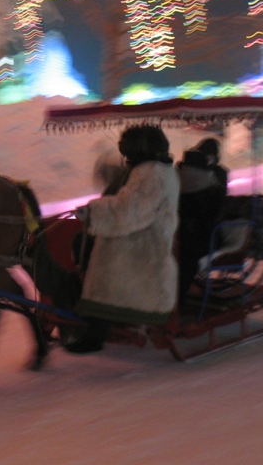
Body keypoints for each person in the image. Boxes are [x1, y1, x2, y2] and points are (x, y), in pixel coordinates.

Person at [65, 124, 180, 354]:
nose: (124, 153)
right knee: (89, 254)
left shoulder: (150, 173)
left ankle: (95, 335)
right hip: (136, 238)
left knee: (107, 277)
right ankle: (90, 327)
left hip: (141, 246)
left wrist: (94, 212)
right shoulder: (150, 169)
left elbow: (129, 211)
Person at [176, 138, 228, 301]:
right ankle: (178, 298)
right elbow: (219, 204)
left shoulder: (179, 169)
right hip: (202, 232)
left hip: (176, 228)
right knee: (189, 259)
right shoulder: (217, 174)